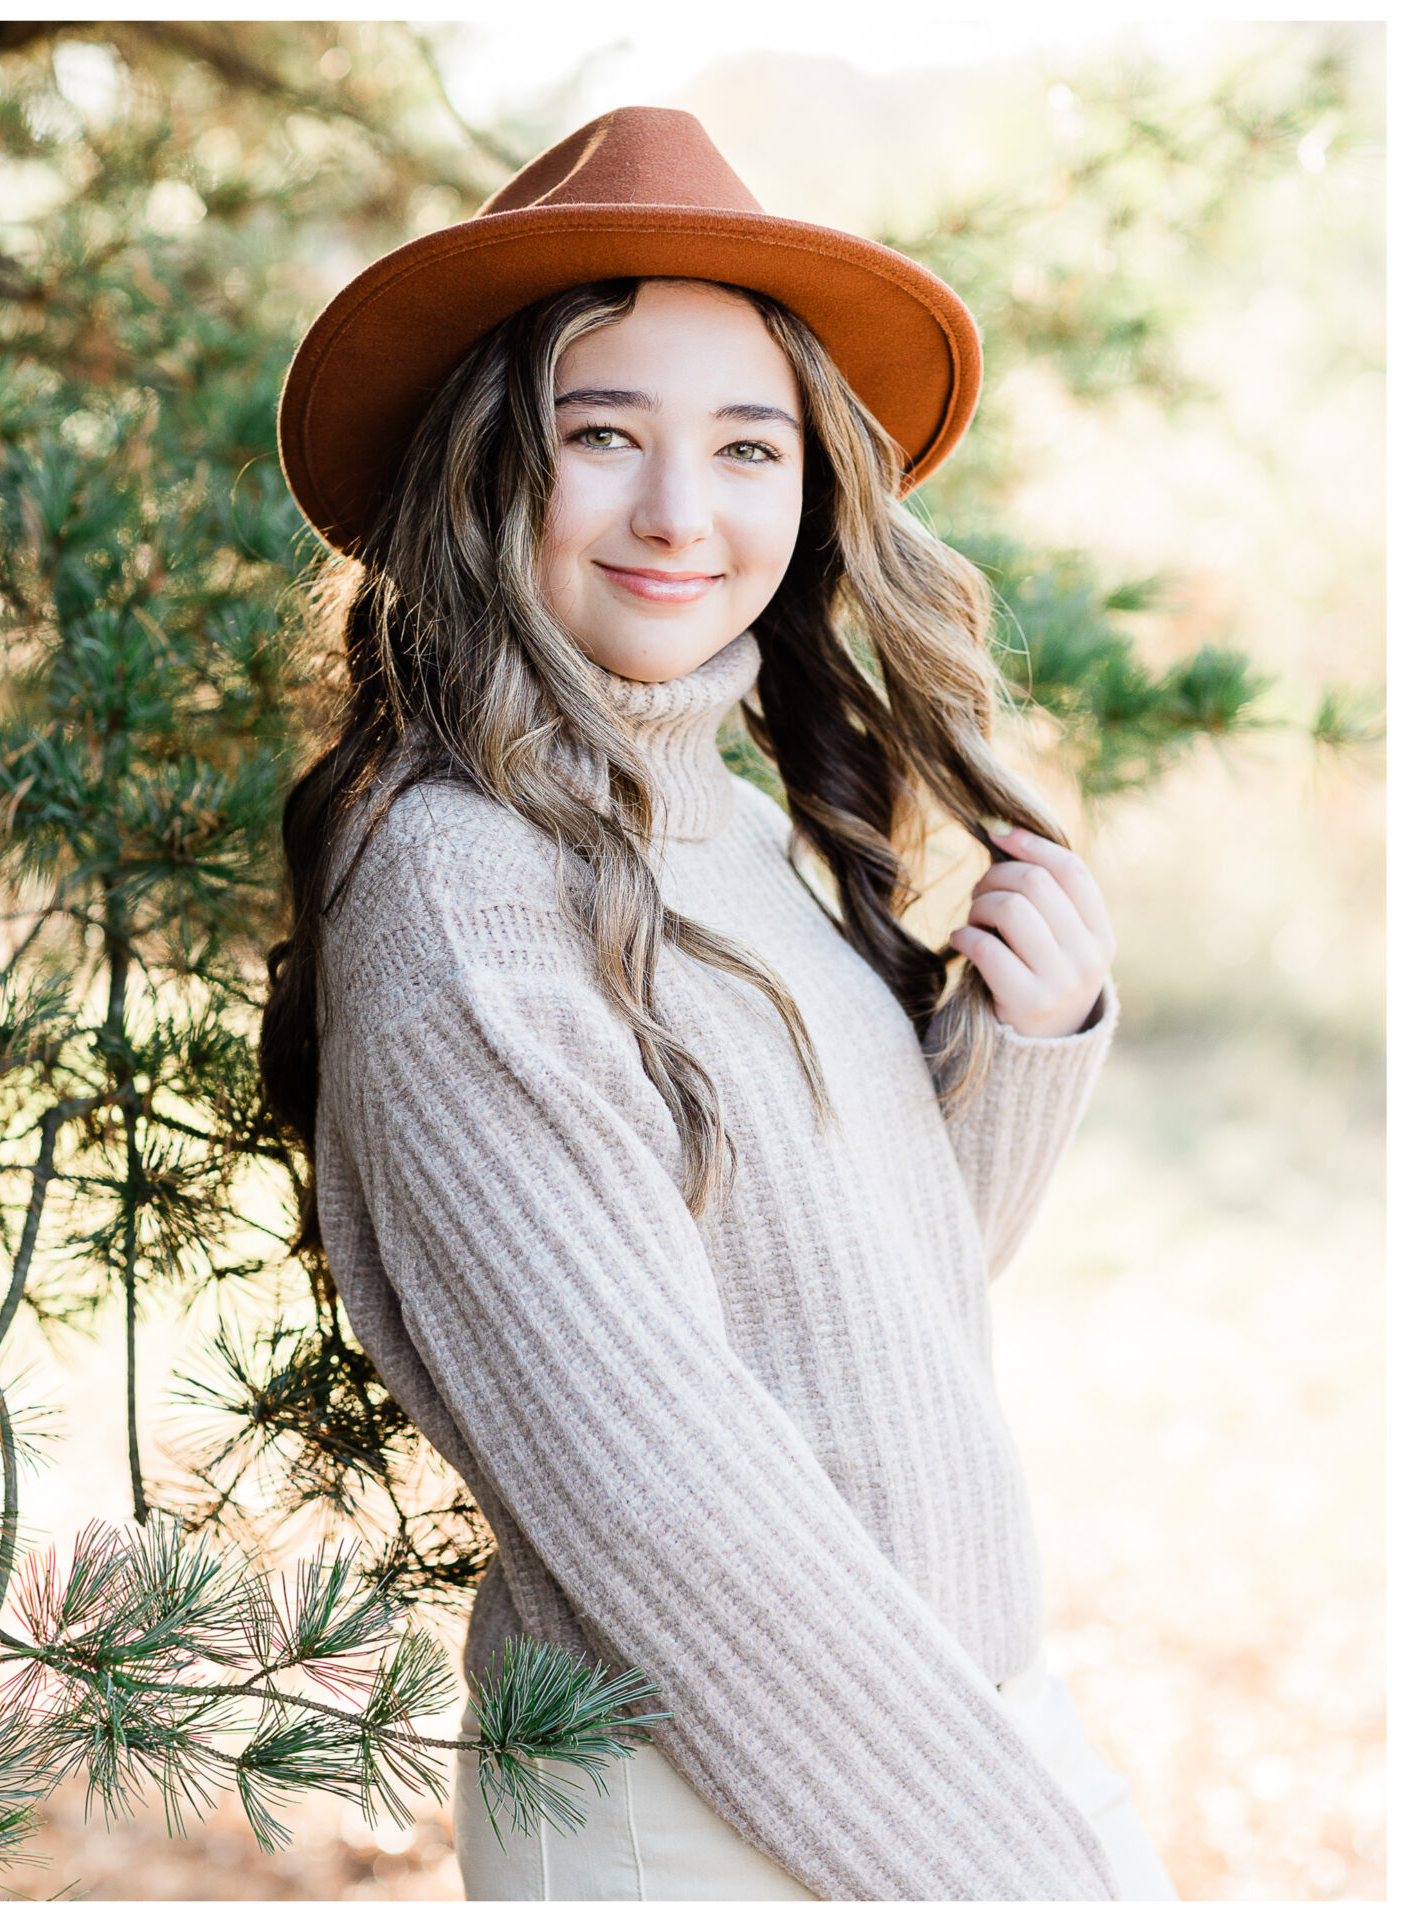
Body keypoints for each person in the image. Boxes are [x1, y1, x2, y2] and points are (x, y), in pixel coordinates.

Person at [261, 106, 1178, 1901]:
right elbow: (655, 1492)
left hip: (925, 1739)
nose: (683, 511)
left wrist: (1015, 1045)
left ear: (811, 486)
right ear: (482, 475)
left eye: (748, 446)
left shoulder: (728, 827)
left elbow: (833, 1326)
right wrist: (1015, 1869)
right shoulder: (464, 886)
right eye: (602, 435)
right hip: (719, 1805)